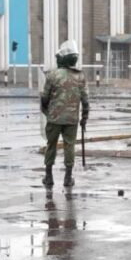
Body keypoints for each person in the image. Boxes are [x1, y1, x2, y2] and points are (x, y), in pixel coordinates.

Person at [41, 40, 89, 188]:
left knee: (51, 145)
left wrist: (47, 111)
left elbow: (44, 97)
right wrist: (84, 119)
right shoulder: (80, 76)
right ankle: (68, 178)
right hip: (71, 120)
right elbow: (85, 100)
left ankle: (48, 176)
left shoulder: (52, 75)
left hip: (54, 118)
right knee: (69, 146)